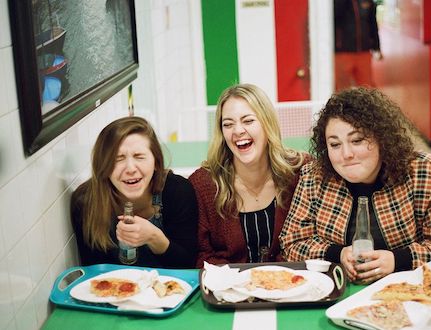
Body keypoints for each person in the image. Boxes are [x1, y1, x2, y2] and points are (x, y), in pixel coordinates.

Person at [279, 87, 431, 284]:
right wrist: (336, 254)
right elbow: (292, 242)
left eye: (357, 140)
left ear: (382, 138)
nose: (346, 154)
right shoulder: (314, 177)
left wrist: (398, 260)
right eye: (335, 144)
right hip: (336, 290)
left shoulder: (426, 172)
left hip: (409, 292)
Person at [189, 83, 309, 268]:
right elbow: (201, 255)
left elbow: (311, 240)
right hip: (229, 291)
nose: (237, 131)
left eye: (248, 121)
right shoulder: (204, 184)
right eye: (228, 124)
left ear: (267, 123)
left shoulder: (301, 172)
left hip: (290, 286)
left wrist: (271, 278)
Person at [71, 116, 198, 268]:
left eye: (139, 157)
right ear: (103, 166)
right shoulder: (86, 202)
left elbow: (187, 265)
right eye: (118, 159)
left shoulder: (177, 191)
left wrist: (154, 237)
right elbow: (94, 272)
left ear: (156, 162)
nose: (130, 168)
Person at [334, 0, 382, 90]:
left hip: (364, 52)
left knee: (367, 88)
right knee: (342, 89)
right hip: (342, 52)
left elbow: (372, 23)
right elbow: (333, 17)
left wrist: (377, 46)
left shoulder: (368, 2)